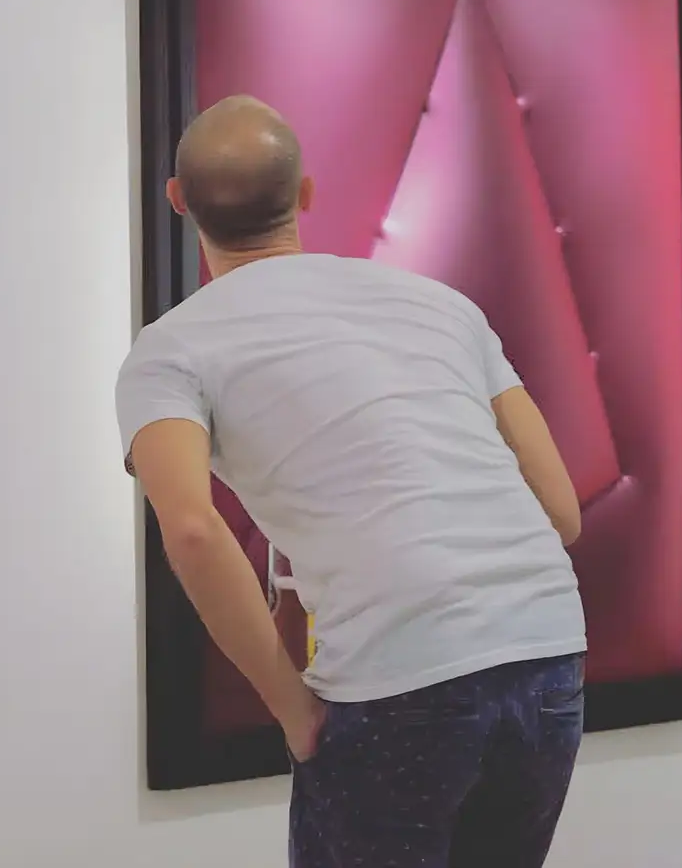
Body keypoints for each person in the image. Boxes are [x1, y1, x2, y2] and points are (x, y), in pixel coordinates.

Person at [116, 95, 586, 868]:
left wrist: (291, 708)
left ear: (178, 200)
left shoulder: (171, 350)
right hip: (548, 648)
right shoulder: (442, 306)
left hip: (403, 675)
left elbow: (194, 530)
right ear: (304, 193)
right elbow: (559, 513)